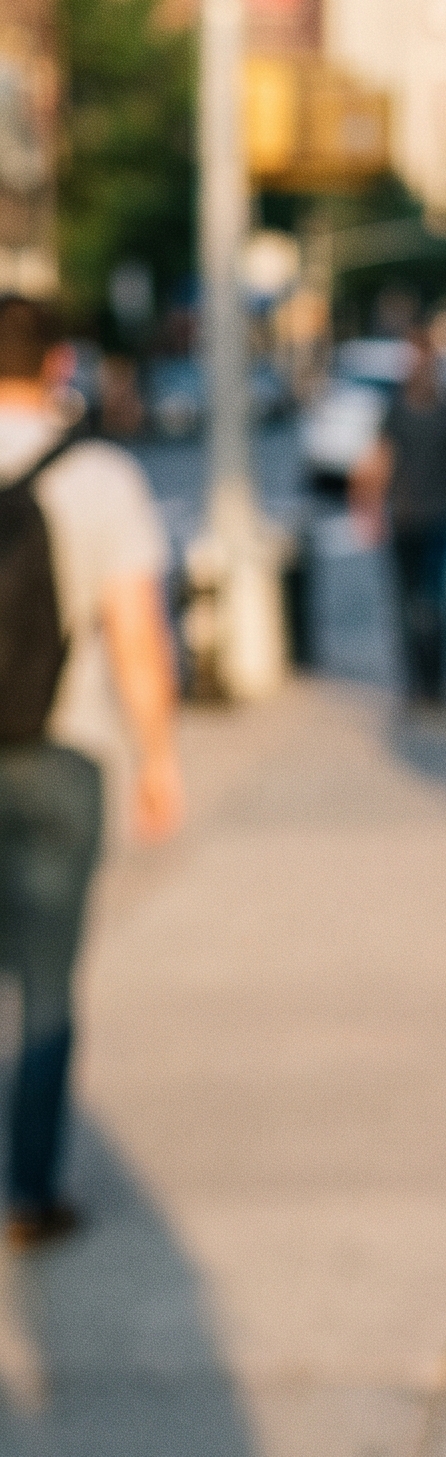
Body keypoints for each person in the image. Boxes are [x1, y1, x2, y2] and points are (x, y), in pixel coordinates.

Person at [0, 296, 183, 1250]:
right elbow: (136, 634)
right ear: (61, 363)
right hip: (60, 756)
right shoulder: (100, 475)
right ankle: (28, 1193)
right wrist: (157, 756)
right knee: (45, 985)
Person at [351, 323, 446, 707]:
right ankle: (426, 682)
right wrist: (370, 507)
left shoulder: (436, 410)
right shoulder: (409, 410)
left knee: (428, 601)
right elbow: (382, 461)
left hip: (434, 517)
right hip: (413, 515)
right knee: (420, 602)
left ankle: (432, 682)